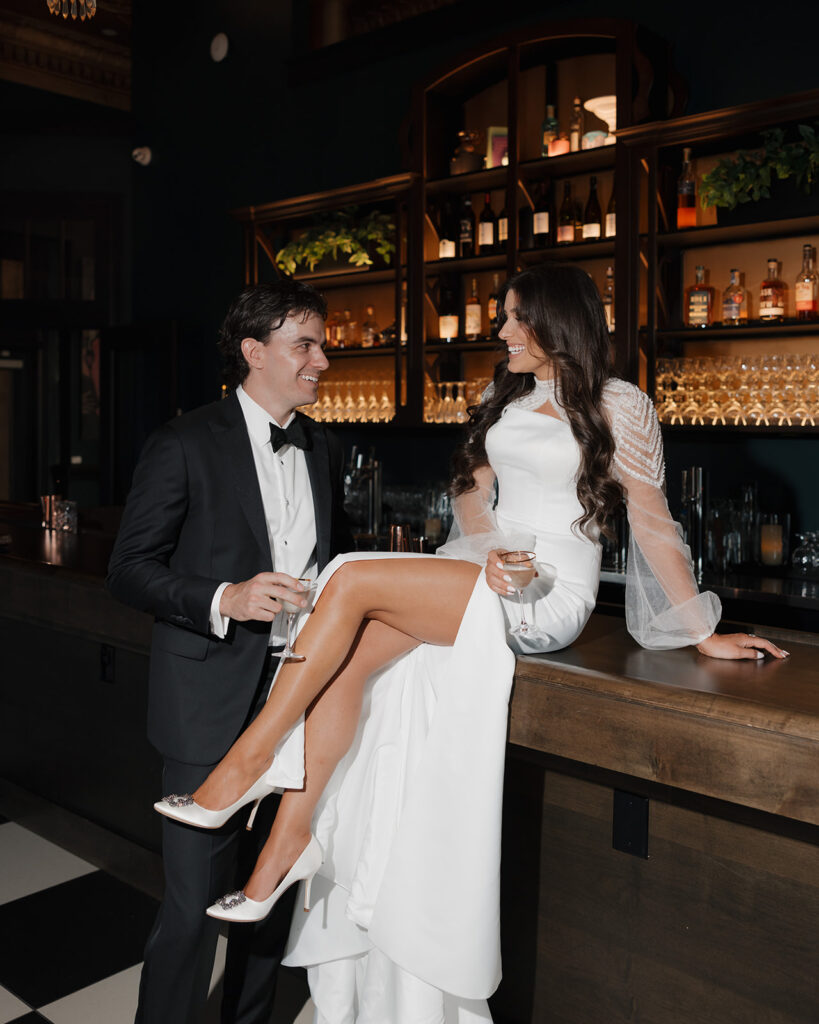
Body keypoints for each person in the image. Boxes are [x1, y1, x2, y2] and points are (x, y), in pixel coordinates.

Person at [155, 263, 788, 1022]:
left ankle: (246, 766)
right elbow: (468, 492)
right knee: (350, 657)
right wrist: (489, 547)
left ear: (556, 322)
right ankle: (284, 851)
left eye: (515, 318)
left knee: (350, 577)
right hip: (490, 570)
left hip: (552, 591)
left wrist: (702, 631)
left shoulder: (620, 405)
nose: (501, 332)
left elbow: (652, 524)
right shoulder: (504, 394)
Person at [107, 279, 352, 1024]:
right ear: (255, 351)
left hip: (297, 698)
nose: (321, 360)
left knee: (267, 902)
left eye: (320, 344)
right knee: (188, 914)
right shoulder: (183, 442)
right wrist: (225, 598)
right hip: (204, 706)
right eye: (304, 344)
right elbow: (129, 569)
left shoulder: (321, 447)